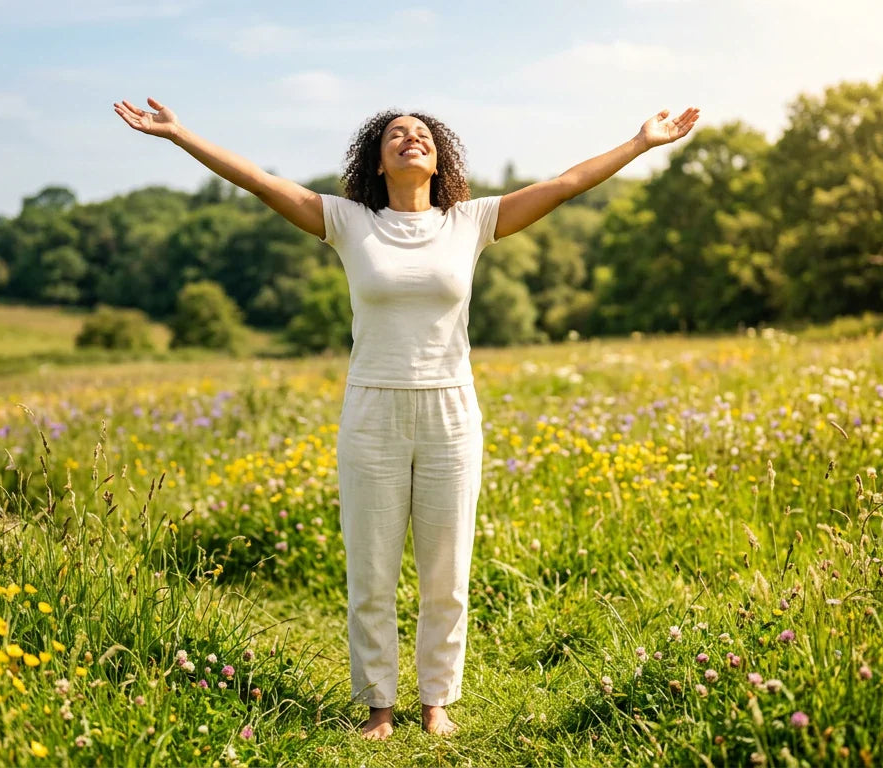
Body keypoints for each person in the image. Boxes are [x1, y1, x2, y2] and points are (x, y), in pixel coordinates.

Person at [113, 97, 699, 739]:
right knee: (371, 567)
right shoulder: (345, 220)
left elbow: (565, 185)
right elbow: (257, 180)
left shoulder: (471, 221)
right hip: (372, 408)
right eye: (396, 134)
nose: (409, 138)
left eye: (421, 133)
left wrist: (640, 143)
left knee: (447, 569)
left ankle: (436, 701)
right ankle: (378, 706)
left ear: (439, 156)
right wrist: (178, 135)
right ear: (378, 158)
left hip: (451, 408)